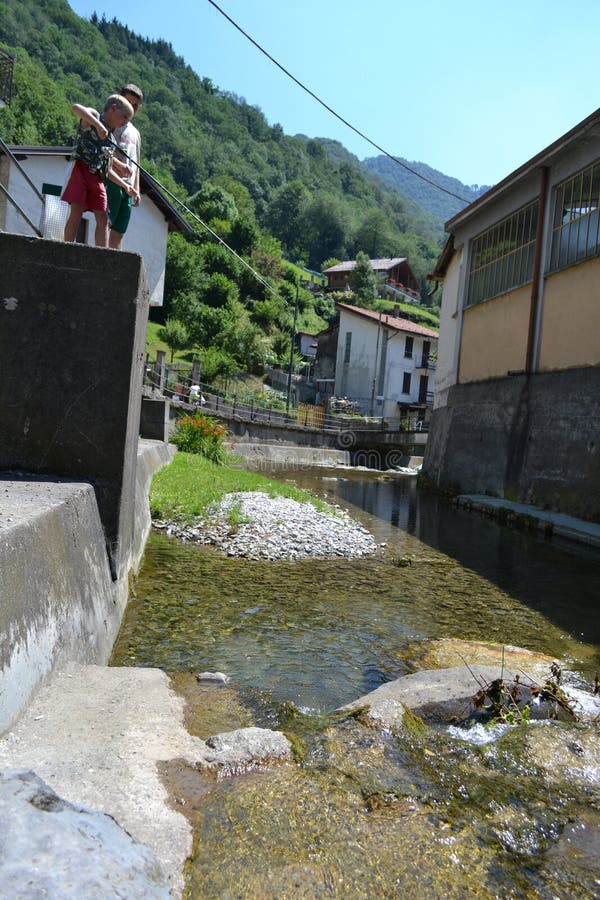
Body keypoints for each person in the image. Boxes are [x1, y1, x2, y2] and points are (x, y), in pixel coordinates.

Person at [62, 95, 138, 248]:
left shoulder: (111, 139)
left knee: (103, 216)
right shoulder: (93, 117)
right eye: (124, 117)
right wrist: (97, 125)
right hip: (80, 168)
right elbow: (75, 107)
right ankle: (67, 247)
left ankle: (102, 253)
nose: (125, 122)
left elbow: (108, 168)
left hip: (97, 176)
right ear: (113, 108)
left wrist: (125, 185)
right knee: (76, 209)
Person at [106, 83, 144, 250]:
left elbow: (136, 162)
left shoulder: (136, 133)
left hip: (129, 186)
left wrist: (137, 188)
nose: (133, 108)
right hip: (113, 179)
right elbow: (105, 149)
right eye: (129, 103)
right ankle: (102, 252)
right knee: (108, 221)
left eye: (136, 105)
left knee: (120, 229)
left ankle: (115, 258)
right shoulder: (114, 123)